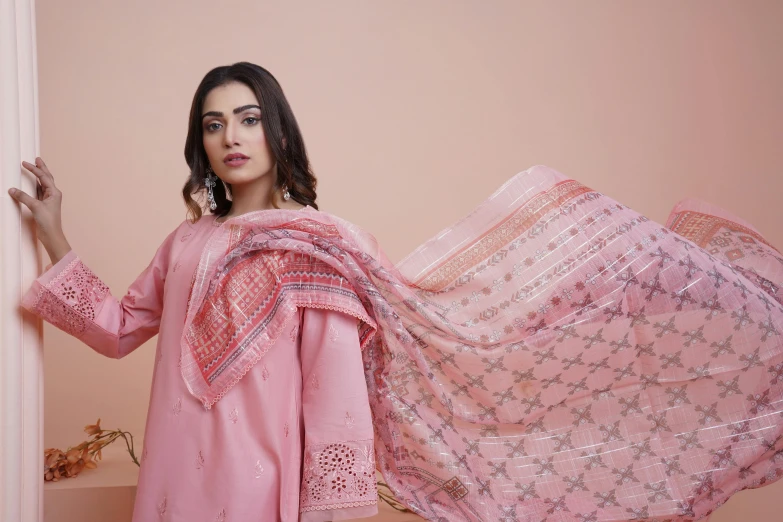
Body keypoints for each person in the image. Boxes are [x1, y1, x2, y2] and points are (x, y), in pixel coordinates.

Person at [9, 62, 783, 522]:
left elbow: (333, 396)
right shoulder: (183, 243)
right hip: (172, 491)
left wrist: (330, 509)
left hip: (264, 494)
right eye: (213, 125)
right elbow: (116, 329)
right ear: (200, 146)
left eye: (248, 118)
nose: (231, 136)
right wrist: (53, 231)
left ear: (277, 133)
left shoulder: (319, 241)